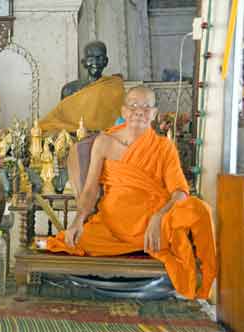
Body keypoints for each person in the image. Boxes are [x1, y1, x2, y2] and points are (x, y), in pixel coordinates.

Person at [47, 86, 216, 300]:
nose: (139, 112)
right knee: (74, 242)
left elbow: (180, 192)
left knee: (199, 209)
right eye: (134, 106)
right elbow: (90, 189)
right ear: (124, 111)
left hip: (153, 226)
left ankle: (207, 282)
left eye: (146, 107)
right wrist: (78, 219)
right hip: (113, 226)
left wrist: (160, 216)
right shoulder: (104, 142)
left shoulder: (164, 147)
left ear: (154, 114)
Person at [39, 41, 124, 133]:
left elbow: (119, 123)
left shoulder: (114, 87)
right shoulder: (69, 89)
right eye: (90, 58)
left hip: (104, 139)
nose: (95, 62)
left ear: (106, 61)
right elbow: (61, 122)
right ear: (83, 62)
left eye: (99, 58)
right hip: (75, 138)